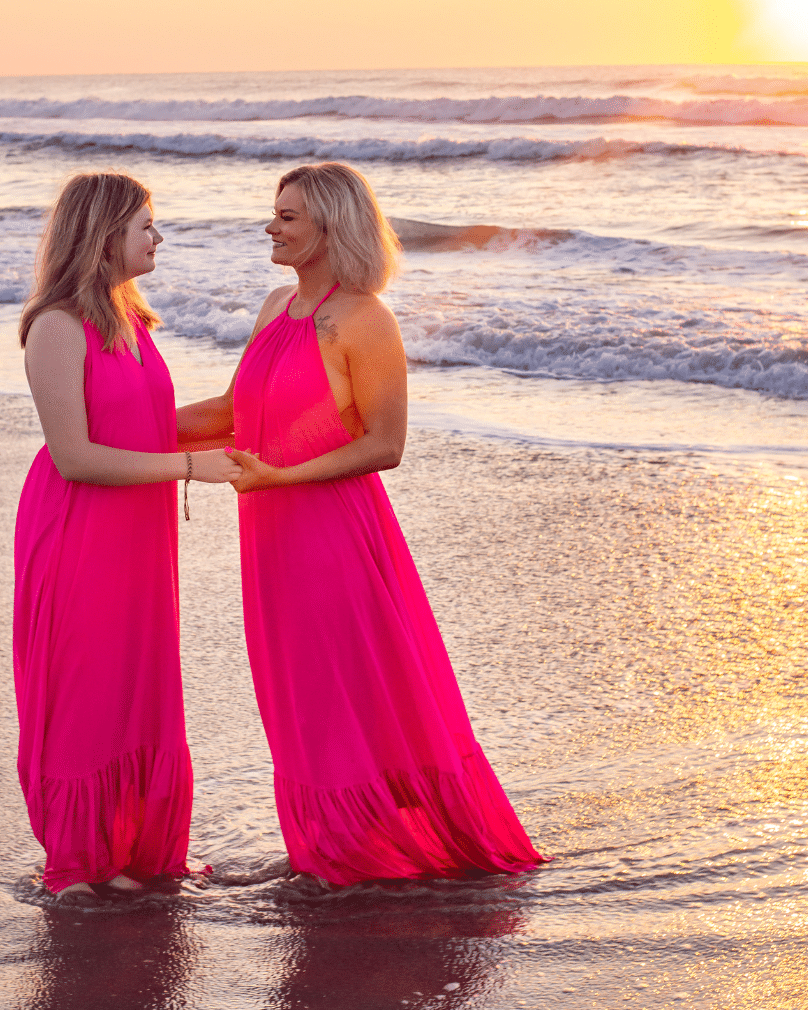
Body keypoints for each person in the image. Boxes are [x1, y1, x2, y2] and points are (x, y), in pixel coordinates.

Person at [179, 161, 545, 884]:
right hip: (271, 532)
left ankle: (361, 849)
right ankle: (329, 844)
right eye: (274, 212)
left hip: (331, 532)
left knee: (343, 686)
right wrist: (110, 432)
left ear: (331, 227)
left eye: (288, 217)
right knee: (295, 691)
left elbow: (385, 443)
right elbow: (230, 412)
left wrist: (282, 476)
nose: (271, 226)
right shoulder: (276, 307)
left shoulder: (364, 319)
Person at [14, 171, 238, 901]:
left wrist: (260, 405)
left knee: (138, 682)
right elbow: (75, 454)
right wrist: (189, 469)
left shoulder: (132, 322)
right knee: (89, 686)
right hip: (81, 529)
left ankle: (137, 853)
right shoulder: (56, 325)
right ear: (103, 234)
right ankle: (81, 863)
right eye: (146, 224)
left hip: (137, 532)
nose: (157, 236)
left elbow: (147, 426)